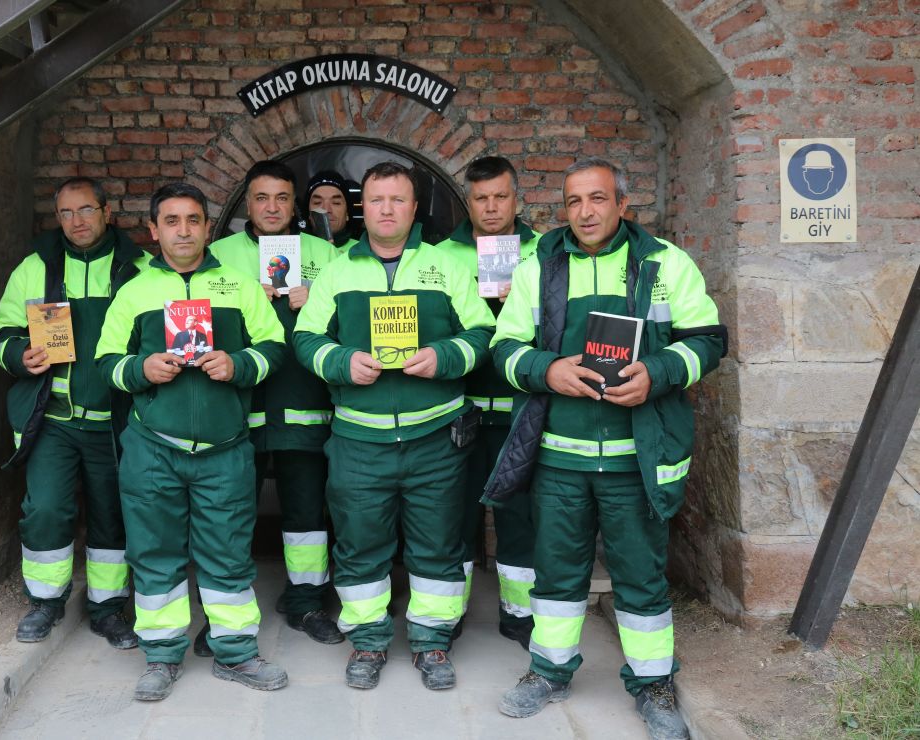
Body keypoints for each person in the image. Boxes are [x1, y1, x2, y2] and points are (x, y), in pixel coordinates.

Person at [489, 157, 725, 739]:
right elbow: (504, 346)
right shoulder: (539, 264)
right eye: (573, 202)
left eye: (597, 199)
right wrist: (547, 370)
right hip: (560, 458)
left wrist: (660, 371)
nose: (585, 212)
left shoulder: (664, 263)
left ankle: (653, 684)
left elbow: (710, 340)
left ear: (622, 205)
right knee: (557, 574)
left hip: (634, 458)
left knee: (641, 575)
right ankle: (548, 672)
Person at [294, 161, 496, 691]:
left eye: (398, 200)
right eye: (377, 200)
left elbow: (482, 332)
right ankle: (367, 641)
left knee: (439, 544)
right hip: (360, 440)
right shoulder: (338, 269)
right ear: (365, 209)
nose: (387, 210)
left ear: (413, 208)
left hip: (436, 438)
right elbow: (306, 337)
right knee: (360, 545)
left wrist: (444, 356)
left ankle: (432, 643)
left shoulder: (446, 267)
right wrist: (341, 362)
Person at [96, 182, 289, 701]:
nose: (184, 231)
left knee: (227, 554)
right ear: (154, 230)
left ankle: (236, 653)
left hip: (225, 448)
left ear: (208, 227)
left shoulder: (240, 285)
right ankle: (161, 656)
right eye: (172, 221)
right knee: (155, 553)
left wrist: (239, 364)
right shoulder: (134, 290)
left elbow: (274, 346)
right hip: (153, 448)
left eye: (193, 220)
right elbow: (105, 363)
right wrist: (141, 368)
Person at [0, 176, 150, 649]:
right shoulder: (34, 267)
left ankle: (107, 608)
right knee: (45, 509)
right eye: (66, 213)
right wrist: (20, 354)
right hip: (54, 420)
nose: (76, 222)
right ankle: (45, 602)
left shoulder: (137, 269)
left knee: (112, 516)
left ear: (107, 211)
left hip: (116, 422)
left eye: (85, 210)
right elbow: (2, 332)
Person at [209, 161, 343, 647]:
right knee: (229, 511)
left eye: (282, 198)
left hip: (303, 404)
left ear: (295, 204)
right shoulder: (218, 255)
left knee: (306, 511)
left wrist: (323, 298)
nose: (272, 207)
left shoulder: (326, 255)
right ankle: (226, 613)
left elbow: (350, 322)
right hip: (236, 407)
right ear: (248, 204)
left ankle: (305, 603)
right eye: (262, 198)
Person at [434, 156, 540, 649]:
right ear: (467, 201)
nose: (492, 207)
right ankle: (447, 613)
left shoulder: (545, 252)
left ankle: (519, 615)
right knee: (455, 516)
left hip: (522, 406)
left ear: (516, 198)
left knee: (520, 515)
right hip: (460, 408)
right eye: (481, 198)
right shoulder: (439, 257)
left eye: (501, 196)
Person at [305, 170, 358, 248]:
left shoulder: (361, 252)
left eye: (336, 203)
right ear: (309, 214)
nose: (326, 209)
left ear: (347, 213)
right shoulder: (298, 250)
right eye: (317, 202)